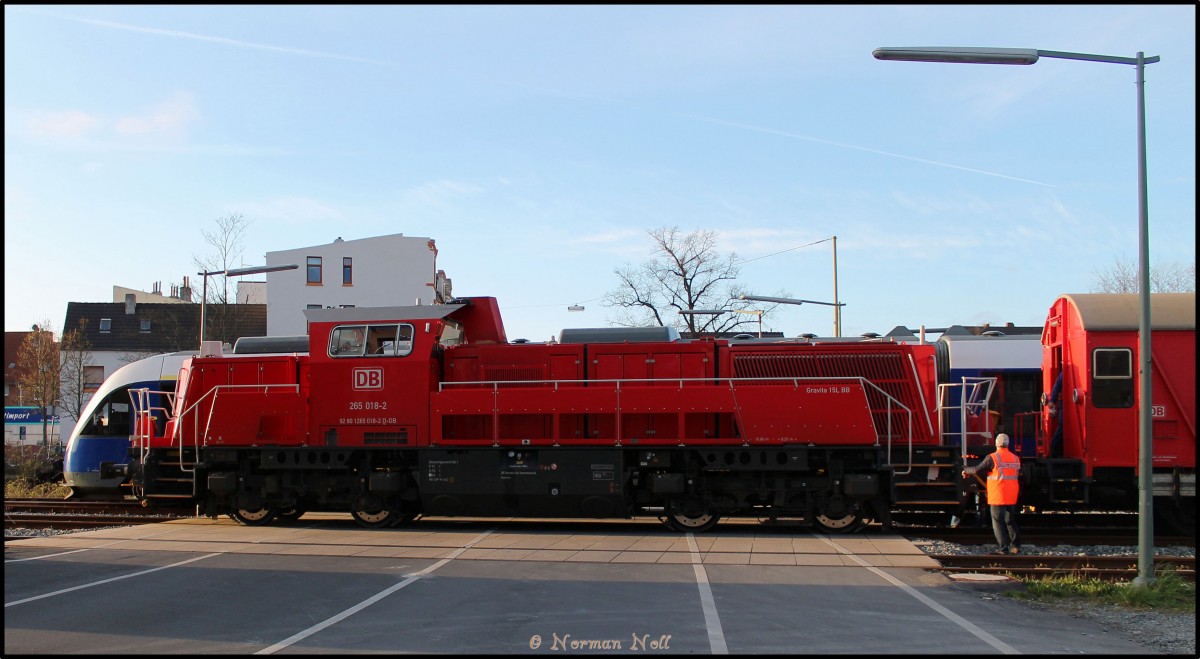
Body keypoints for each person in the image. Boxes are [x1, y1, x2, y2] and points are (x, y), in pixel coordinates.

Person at [962, 433, 1021, 555]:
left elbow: (976, 469)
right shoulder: (1015, 458)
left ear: (997, 443)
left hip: (998, 495)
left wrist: (965, 470)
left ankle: (1003, 549)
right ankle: (1015, 547)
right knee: (1010, 521)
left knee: (997, 522)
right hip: (1011, 494)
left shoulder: (992, 457)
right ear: (1007, 444)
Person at [1047, 371, 1064, 458]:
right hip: (1064, 406)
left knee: (1061, 427)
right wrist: (1052, 400)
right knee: (1062, 426)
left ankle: (1054, 448)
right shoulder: (1064, 373)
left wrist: (1052, 400)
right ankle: (1054, 448)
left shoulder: (1063, 373)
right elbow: (1057, 386)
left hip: (1063, 405)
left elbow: (1057, 386)